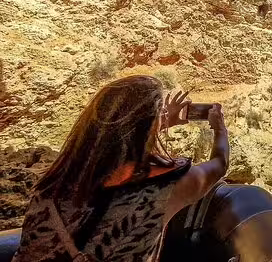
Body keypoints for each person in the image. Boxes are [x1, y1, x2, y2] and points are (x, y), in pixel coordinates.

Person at [11, 75, 229, 262]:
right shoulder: (162, 188)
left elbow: (115, 138)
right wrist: (220, 129)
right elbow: (219, 164)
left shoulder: (55, 181)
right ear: (149, 123)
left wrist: (157, 123)